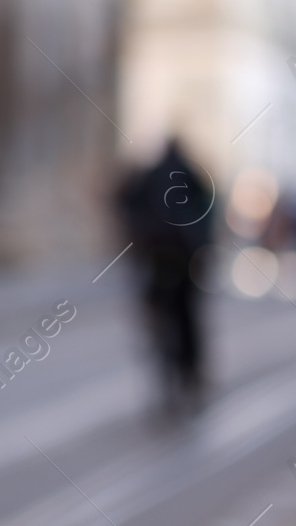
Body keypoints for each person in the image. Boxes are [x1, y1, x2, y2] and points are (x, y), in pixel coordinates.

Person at [116, 134, 214, 419]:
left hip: (157, 259)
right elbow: (206, 213)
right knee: (186, 318)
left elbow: (127, 205)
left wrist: (139, 242)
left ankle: (175, 374)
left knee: (162, 316)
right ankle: (189, 373)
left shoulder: (150, 175)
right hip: (181, 259)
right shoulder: (191, 174)